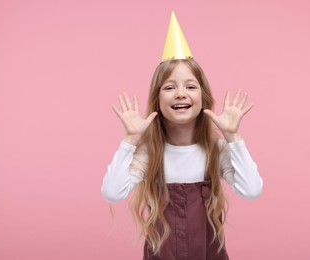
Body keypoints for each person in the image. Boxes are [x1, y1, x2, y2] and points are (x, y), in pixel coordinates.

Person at [101, 12, 263, 260]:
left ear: (203, 98)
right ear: (157, 100)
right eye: (169, 87)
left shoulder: (215, 150)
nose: (180, 93)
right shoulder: (150, 152)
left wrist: (233, 137)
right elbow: (112, 193)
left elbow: (251, 190)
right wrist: (130, 141)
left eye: (190, 86)